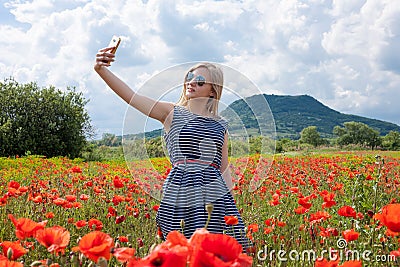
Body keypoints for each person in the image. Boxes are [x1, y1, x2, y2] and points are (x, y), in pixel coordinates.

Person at [94, 45, 250, 248]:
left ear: (213, 90)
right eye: (190, 76)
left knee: (217, 251)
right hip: (180, 189)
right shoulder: (171, 113)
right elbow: (132, 97)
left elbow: (223, 168)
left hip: (214, 194)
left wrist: (230, 205)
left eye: (200, 80)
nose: (191, 82)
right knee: (178, 249)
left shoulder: (221, 124)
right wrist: (102, 70)